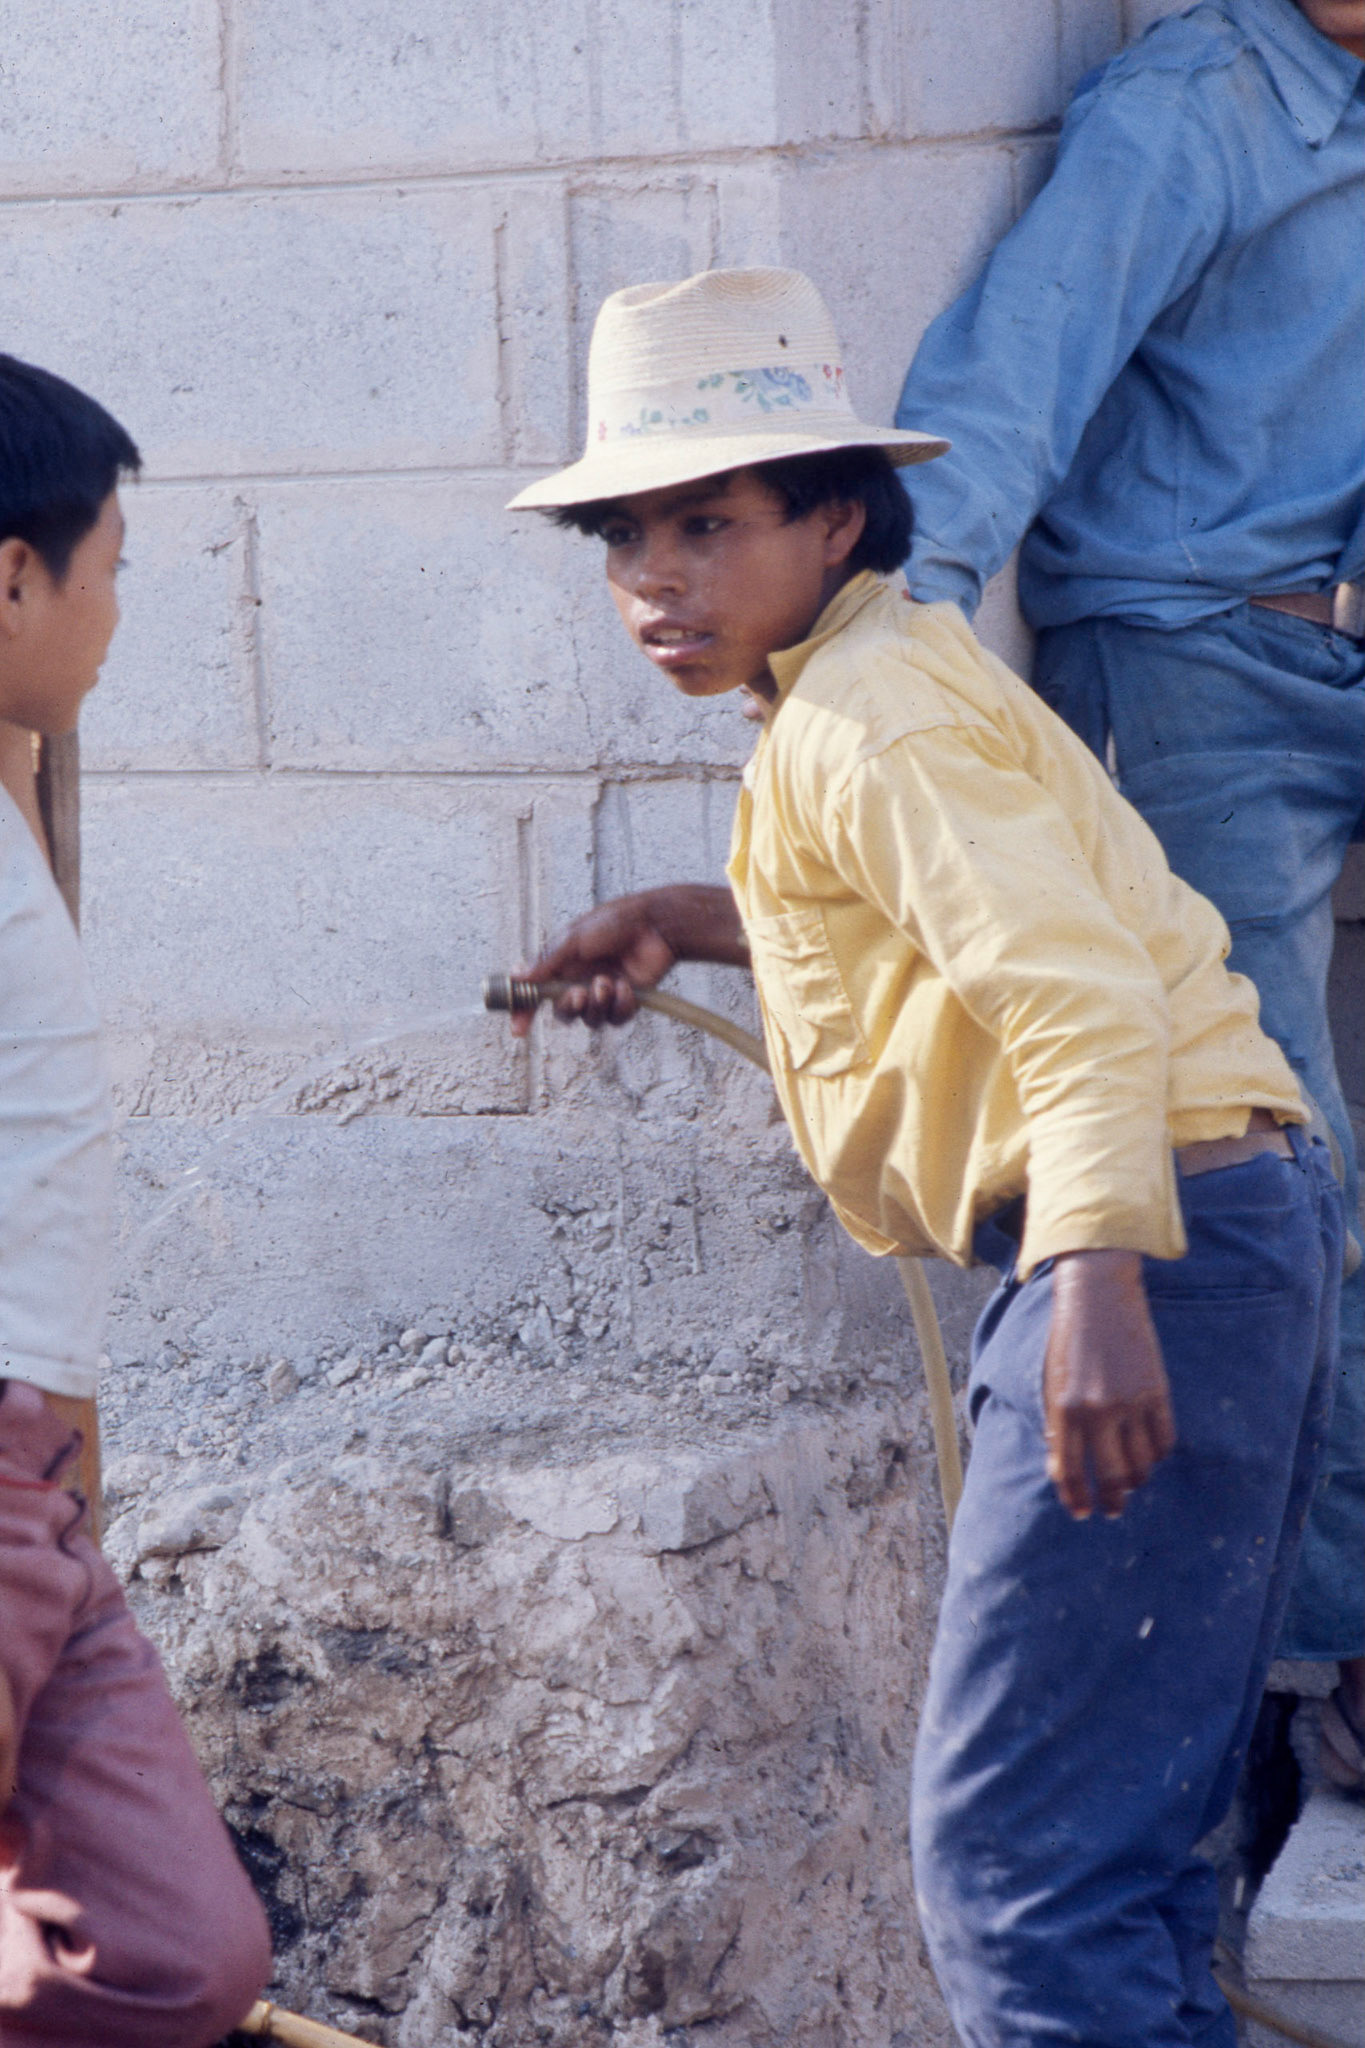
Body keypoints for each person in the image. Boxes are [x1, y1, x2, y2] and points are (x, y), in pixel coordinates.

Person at [501, 266, 1342, 2046]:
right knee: (1106, 1856)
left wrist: (1099, 1280)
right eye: (623, 535)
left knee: (1018, 1885)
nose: (657, 575)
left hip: (1140, 1234)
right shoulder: (866, 688)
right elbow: (950, 922)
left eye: (709, 522)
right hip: (1200, 1219)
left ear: (830, 514)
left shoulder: (868, 721)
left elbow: (1080, 994)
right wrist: (685, 915)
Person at [893, 0, 1365, 1789]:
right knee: (1281, 1166)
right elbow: (1003, 386)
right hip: (1187, 670)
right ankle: (1335, 1649)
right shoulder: (1192, 106)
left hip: (1341, 653)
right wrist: (888, 684)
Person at [0, 355, 272, 2045]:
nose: (116, 611)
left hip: (35, 1477)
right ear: (12, 575)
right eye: (110, 565)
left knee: (168, 1951)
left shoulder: (17, 786)